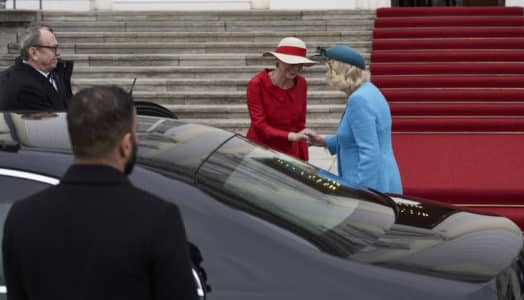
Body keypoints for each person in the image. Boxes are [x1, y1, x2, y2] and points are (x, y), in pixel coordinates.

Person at [1, 86, 199, 300]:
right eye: (135, 133)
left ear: (71, 139)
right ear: (126, 145)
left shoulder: (21, 217)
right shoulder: (158, 218)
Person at [305, 45, 403, 194]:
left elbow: (369, 151)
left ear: (338, 71)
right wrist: (323, 141)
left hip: (372, 185)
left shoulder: (359, 100)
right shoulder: (370, 90)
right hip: (383, 177)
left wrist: (362, 194)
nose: (327, 74)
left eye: (328, 69)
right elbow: (356, 137)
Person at [246, 37, 317, 161]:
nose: (296, 69)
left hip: (290, 150)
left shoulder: (301, 83)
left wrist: (303, 153)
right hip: (262, 149)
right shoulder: (257, 84)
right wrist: (291, 136)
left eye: (299, 64)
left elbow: (300, 123)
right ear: (277, 60)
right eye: (291, 63)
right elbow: (260, 126)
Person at [0, 24, 73, 111]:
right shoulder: (25, 89)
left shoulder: (54, 72)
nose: (58, 53)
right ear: (34, 53)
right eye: (54, 48)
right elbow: (53, 123)